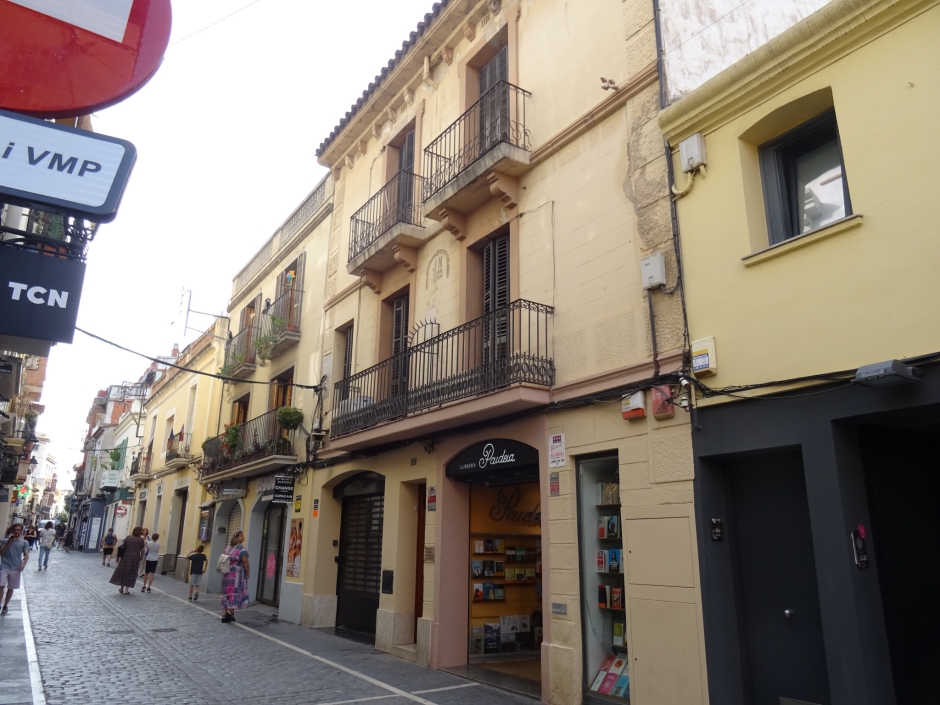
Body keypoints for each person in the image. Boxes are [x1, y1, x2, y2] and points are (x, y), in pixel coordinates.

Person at [220, 530, 250, 622]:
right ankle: (230, 612)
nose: (243, 537)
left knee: (227, 592)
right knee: (234, 591)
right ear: (237, 538)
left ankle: (225, 614)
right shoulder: (241, 549)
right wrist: (248, 571)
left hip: (227, 573)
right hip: (236, 574)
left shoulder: (227, 548)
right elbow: (245, 561)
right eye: (241, 536)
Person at [0, 524, 30, 615]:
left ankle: (5, 605)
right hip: (4, 566)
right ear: (12, 531)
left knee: (11, 588)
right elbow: (1, 553)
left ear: (21, 531)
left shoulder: (24, 542)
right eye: (15, 530)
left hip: (16, 568)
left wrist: (23, 564)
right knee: (1, 585)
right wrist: (8, 543)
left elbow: (26, 555)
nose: (16, 531)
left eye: (18, 530)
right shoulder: (5, 541)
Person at [109, 526, 145, 595]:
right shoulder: (140, 539)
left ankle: (122, 588)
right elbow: (142, 550)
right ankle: (126, 590)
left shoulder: (129, 537)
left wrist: (118, 556)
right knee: (131, 572)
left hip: (126, 556)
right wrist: (141, 557)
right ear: (139, 531)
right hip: (135, 557)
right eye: (141, 530)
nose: (142, 532)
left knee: (124, 571)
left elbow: (123, 546)